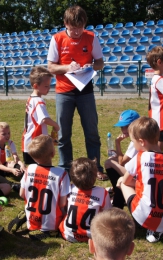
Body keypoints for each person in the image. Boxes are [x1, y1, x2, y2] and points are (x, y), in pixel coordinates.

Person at [47, 5, 106, 180]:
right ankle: (65, 168)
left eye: (80, 28)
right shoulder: (57, 39)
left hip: (85, 90)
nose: (77, 32)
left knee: (91, 131)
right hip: (64, 92)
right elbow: (51, 67)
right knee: (63, 133)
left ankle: (95, 167)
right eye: (73, 29)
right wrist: (67, 67)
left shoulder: (91, 37)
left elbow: (100, 63)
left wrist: (91, 66)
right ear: (66, 23)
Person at [117, 117, 163, 243]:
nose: (133, 144)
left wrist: (138, 183)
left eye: (132, 141)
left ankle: (116, 211)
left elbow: (126, 181)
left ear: (141, 142)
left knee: (121, 182)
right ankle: (159, 229)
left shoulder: (141, 157)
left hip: (143, 216)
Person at [9, 134, 71, 240]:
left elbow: (21, 194)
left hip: (32, 217)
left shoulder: (29, 169)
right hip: (52, 224)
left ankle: (29, 217)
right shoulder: (61, 174)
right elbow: (62, 203)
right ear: (53, 153)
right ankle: (49, 231)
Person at [59, 157, 112, 243]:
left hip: (68, 235)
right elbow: (108, 213)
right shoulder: (103, 192)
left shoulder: (70, 188)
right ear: (95, 176)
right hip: (92, 236)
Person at [21, 66, 59, 165]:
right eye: (46, 86)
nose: (49, 88)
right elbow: (44, 119)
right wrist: (55, 125)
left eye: (49, 85)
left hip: (28, 141)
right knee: (40, 169)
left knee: (32, 171)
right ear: (35, 86)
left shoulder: (30, 98)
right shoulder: (38, 101)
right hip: (37, 144)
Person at [104, 110, 140, 209]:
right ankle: (117, 192)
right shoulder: (140, 137)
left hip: (137, 177)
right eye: (121, 127)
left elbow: (122, 162)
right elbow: (125, 159)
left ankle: (118, 195)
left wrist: (117, 143)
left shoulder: (135, 140)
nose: (123, 130)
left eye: (126, 126)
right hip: (138, 171)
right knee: (112, 159)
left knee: (108, 162)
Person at [0, 122, 25, 191]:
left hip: (4, 164)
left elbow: (16, 157)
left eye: (8, 133)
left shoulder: (10, 143)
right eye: (4, 134)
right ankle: (12, 185)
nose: (7, 136)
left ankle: (27, 178)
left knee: (16, 165)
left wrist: (22, 165)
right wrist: (11, 170)